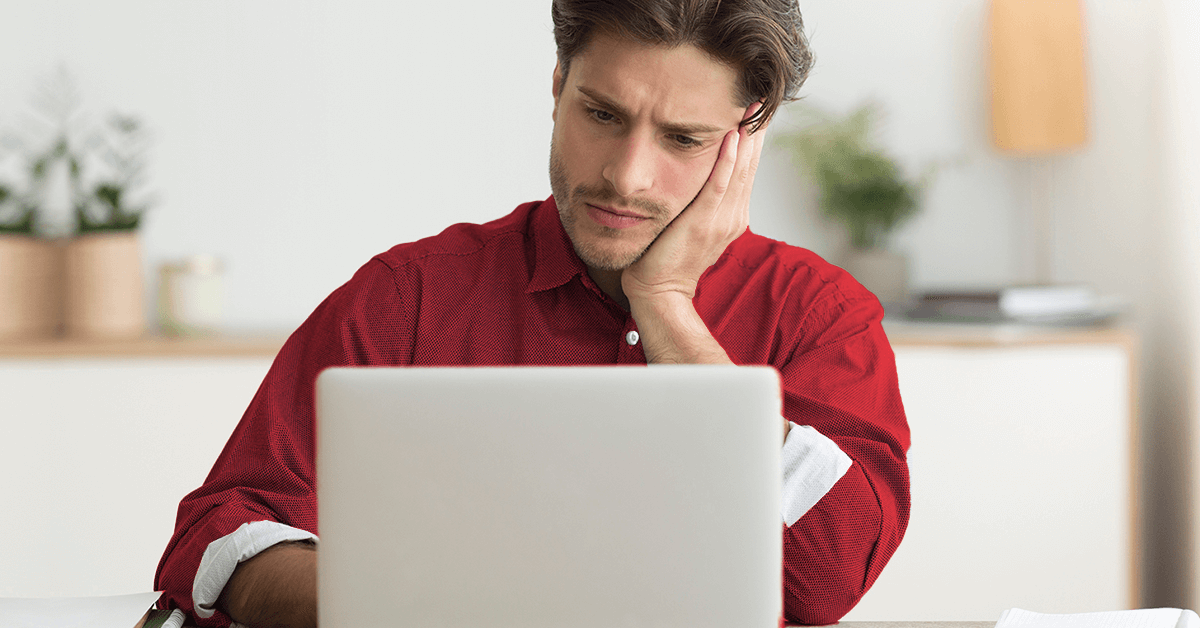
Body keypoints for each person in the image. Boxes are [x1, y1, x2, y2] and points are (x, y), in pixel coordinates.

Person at [154, 1, 911, 626]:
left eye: (683, 138)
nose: (625, 174)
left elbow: (829, 579)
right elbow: (221, 535)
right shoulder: (410, 297)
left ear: (746, 138)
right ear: (557, 87)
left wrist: (669, 310)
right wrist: (420, 608)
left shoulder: (820, 316)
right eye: (602, 114)